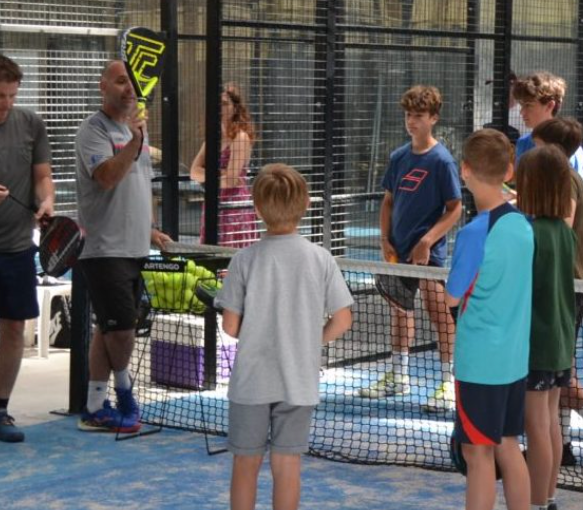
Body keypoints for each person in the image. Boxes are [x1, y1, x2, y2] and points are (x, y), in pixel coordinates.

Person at [214, 163, 354, 510]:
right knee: (287, 466)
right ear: (306, 204)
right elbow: (343, 319)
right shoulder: (321, 259)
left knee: (246, 465)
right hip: (299, 383)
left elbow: (230, 327)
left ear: (256, 208)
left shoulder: (243, 260)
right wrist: (310, 340)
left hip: (251, 385)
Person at [75, 60, 171, 433]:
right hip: (104, 249)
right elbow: (107, 178)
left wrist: (151, 232)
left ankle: (95, 407)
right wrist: (134, 142)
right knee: (123, 331)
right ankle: (125, 392)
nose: (128, 89)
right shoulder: (93, 130)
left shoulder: (136, 136)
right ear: (103, 86)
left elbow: (137, 189)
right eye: (120, 82)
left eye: (133, 83)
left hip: (135, 248)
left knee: (108, 329)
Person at [357, 85, 462, 412]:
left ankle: (449, 381)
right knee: (400, 312)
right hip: (398, 252)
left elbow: (455, 208)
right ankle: (398, 376)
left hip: (428, 256)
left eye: (418, 115)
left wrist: (428, 241)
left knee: (439, 313)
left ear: (433, 118)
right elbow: (388, 201)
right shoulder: (398, 157)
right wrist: (384, 237)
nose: (411, 121)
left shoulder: (442, 161)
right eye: (408, 115)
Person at [446, 129, 533, 510]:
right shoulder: (523, 225)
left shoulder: (474, 233)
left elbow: (452, 294)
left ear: (465, 170)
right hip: (515, 360)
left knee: (477, 455)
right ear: (509, 170)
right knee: (510, 446)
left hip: (480, 363)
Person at [531, 118, 583, 470]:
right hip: (566, 283)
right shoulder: (565, 180)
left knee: (561, 373)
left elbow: (561, 226)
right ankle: (561, 448)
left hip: (566, 285)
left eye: (539, 145)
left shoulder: (565, 183)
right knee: (558, 376)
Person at [516, 145, 576, 510]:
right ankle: (548, 498)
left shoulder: (531, 234)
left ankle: (537, 503)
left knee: (536, 425)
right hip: (560, 342)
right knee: (550, 423)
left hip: (537, 345)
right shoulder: (563, 232)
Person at [0, 54, 54, 443]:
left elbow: (43, 176)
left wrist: (46, 200)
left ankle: (1, 409)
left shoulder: (31, 123)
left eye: (11, 96)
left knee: (14, 326)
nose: (5, 104)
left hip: (17, 245)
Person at [190, 83, 258, 248]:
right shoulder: (212, 138)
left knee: (232, 255)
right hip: (213, 201)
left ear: (236, 108)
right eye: (217, 104)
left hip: (234, 206)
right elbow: (193, 171)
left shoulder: (240, 137)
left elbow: (232, 180)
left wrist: (210, 175)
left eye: (225, 104)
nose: (220, 108)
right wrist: (221, 173)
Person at [512, 71, 583, 184]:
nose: (522, 112)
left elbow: (575, 195)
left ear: (549, 105)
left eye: (528, 105)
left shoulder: (568, 146)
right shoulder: (523, 143)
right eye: (521, 105)